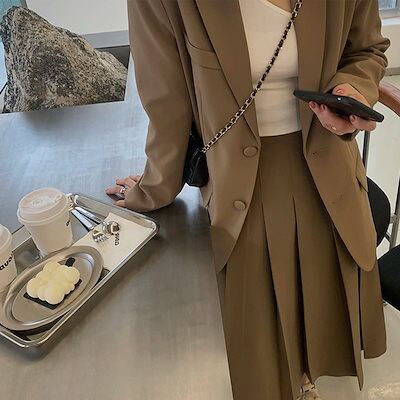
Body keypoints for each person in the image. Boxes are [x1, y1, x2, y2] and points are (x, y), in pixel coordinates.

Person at [105, 1, 391, 399]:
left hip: (330, 175)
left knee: (320, 317)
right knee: (258, 339)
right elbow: (167, 102)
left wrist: (351, 88)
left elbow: (366, 50)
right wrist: (153, 189)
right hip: (241, 187)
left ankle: (306, 378)